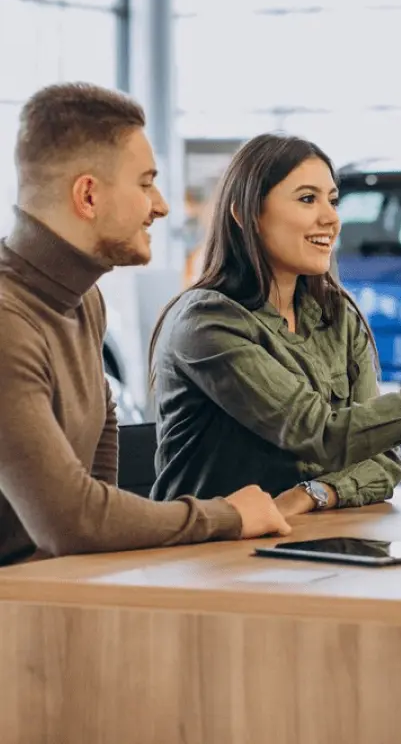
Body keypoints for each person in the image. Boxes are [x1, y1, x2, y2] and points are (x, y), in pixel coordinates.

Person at [148, 133, 401, 517]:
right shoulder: (206, 322)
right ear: (245, 213)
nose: (331, 217)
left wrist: (314, 493)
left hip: (307, 545)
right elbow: (323, 436)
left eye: (332, 201)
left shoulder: (337, 314)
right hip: (210, 557)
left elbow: (382, 462)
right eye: (307, 199)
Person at [0, 83, 292, 566]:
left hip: (47, 599)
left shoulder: (84, 300)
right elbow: (72, 520)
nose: (161, 204)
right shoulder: (9, 320)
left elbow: (101, 438)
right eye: (145, 182)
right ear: (88, 195)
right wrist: (228, 516)